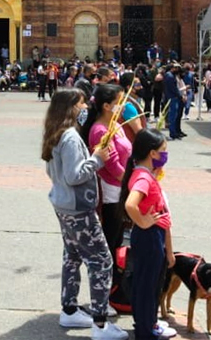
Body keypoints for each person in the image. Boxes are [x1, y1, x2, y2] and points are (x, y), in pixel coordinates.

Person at [41, 89, 125, 340]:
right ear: (70, 107)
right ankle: (100, 323)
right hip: (78, 208)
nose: (85, 107)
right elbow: (74, 175)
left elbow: (55, 172)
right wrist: (97, 159)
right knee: (102, 261)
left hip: (64, 204)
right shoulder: (69, 137)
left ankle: (69, 309)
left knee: (73, 255)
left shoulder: (56, 132)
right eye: (81, 103)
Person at [121, 128, 174, 340]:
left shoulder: (144, 174)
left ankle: (148, 324)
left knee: (149, 284)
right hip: (148, 236)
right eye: (163, 150)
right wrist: (143, 221)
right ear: (152, 153)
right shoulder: (143, 177)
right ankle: (145, 331)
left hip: (152, 236)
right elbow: (130, 204)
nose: (165, 155)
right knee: (146, 286)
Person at [85, 83, 129, 256]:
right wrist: (130, 183)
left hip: (121, 187)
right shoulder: (100, 131)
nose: (123, 105)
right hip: (112, 190)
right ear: (106, 106)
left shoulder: (115, 124)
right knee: (111, 237)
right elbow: (113, 166)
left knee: (119, 237)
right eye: (120, 102)